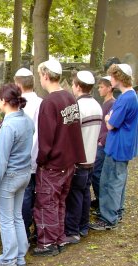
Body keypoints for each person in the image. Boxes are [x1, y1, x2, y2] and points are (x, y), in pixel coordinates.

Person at [32, 59, 86, 256]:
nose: (40, 79)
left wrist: (41, 160)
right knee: (60, 201)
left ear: (46, 76)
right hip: (69, 160)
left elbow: (46, 138)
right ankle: (59, 237)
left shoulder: (49, 102)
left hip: (53, 163)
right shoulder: (70, 98)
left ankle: (47, 243)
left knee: (46, 202)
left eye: (40, 75)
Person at [0, 83, 34, 266]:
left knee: (6, 220)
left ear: (4, 101)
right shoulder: (27, 120)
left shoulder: (8, 126)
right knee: (17, 216)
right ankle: (20, 256)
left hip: (10, 177)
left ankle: (9, 261)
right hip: (24, 174)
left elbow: (1, 163)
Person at [90, 63, 138, 230]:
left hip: (118, 145)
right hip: (122, 144)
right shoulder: (130, 96)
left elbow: (111, 124)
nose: (110, 79)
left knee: (110, 181)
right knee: (119, 180)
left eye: (112, 76)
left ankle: (108, 218)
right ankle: (116, 211)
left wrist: (108, 119)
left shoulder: (126, 98)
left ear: (119, 77)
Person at [64, 71, 102, 243]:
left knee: (75, 196)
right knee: (85, 193)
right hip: (91, 157)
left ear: (78, 86)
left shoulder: (77, 108)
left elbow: (69, 135)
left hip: (78, 159)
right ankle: (84, 226)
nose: (72, 87)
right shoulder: (97, 105)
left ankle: (72, 231)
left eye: (73, 84)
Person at [13, 67, 43, 240]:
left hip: (24, 157)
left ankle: (23, 231)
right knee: (37, 195)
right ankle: (37, 229)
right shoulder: (42, 102)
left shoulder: (19, 104)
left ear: (18, 84)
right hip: (40, 155)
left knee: (25, 196)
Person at [90, 76, 115, 210]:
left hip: (103, 144)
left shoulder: (112, 103)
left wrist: (101, 141)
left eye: (102, 87)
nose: (99, 89)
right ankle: (100, 201)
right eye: (99, 87)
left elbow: (111, 126)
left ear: (109, 88)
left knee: (97, 174)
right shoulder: (105, 102)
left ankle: (102, 203)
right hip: (99, 142)